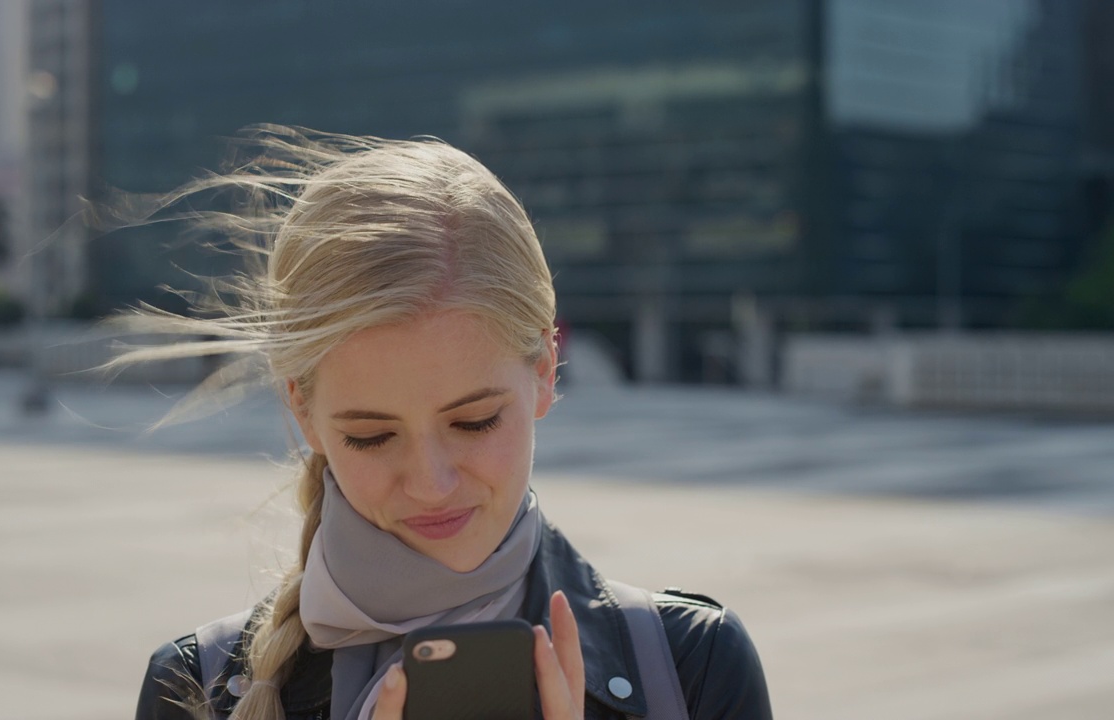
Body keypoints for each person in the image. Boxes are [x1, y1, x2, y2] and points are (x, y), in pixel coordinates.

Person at [127, 127, 771, 720]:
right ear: (303, 409)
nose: (431, 484)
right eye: (371, 436)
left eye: (475, 421)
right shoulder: (191, 689)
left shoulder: (697, 669)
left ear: (546, 370)